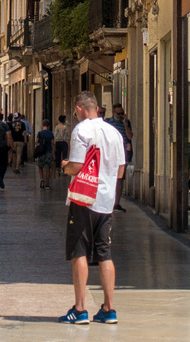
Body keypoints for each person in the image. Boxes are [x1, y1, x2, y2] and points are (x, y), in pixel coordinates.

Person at [59, 91, 125, 325]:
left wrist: (65, 166)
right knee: (104, 253)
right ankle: (109, 308)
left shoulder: (82, 130)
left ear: (79, 109)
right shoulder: (115, 133)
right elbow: (120, 171)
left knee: (79, 252)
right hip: (106, 202)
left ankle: (80, 309)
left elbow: (76, 166)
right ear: (97, 108)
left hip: (84, 200)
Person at [105, 103, 133, 211]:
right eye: (119, 113)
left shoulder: (126, 122)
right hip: (110, 154)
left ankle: (117, 203)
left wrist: (125, 124)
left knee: (120, 178)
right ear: (113, 113)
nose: (121, 115)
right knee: (109, 178)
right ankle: (109, 201)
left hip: (122, 155)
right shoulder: (107, 122)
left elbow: (130, 136)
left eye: (122, 113)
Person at [35, 119, 54, 189]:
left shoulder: (39, 133)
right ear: (49, 126)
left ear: (42, 125)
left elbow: (36, 142)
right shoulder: (51, 133)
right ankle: (47, 184)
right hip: (48, 152)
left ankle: (42, 179)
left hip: (41, 152)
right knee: (48, 168)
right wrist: (54, 153)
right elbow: (52, 144)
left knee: (40, 167)